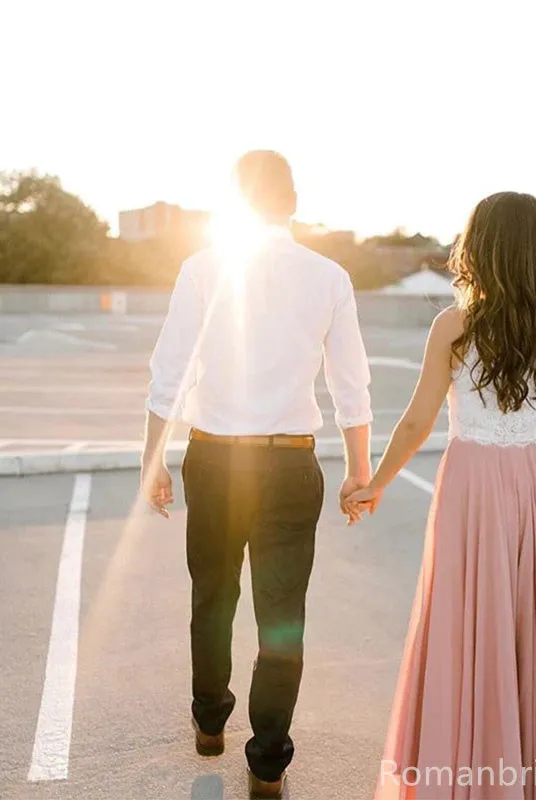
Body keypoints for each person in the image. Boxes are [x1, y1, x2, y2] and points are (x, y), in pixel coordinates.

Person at [347, 192, 536, 799]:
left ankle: (467, 771)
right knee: (533, 625)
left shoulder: (455, 325)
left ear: (478, 249)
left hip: (471, 484)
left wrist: (373, 485)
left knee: (467, 621)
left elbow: (416, 422)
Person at [141, 151, 373, 798]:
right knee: (282, 613)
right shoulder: (329, 276)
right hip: (289, 461)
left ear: (235, 202)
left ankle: (211, 719)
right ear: (292, 202)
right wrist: (360, 474)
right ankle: (268, 758)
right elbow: (351, 387)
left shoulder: (202, 268)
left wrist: (151, 459)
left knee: (212, 596)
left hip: (215, 460)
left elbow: (170, 371)